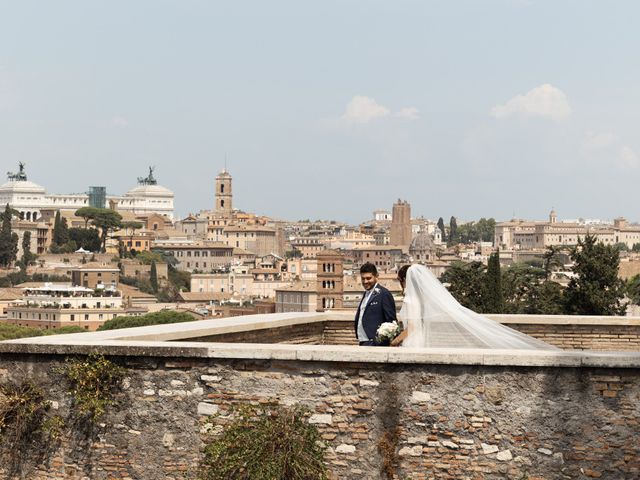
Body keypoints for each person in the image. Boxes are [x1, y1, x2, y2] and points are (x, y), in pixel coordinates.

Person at [391, 264, 557, 350]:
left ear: (404, 280)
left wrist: (395, 341)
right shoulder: (422, 300)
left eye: (400, 281)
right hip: (422, 341)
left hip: (413, 342)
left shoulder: (411, 300)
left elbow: (412, 327)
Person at [354, 262, 397, 346]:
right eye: (363, 278)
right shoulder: (365, 294)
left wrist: (380, 341)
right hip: (363, 342)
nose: (365, 281)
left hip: (375, 343)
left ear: (376, 276)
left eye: (368, 278)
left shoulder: (384, 294)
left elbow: (391, 321)